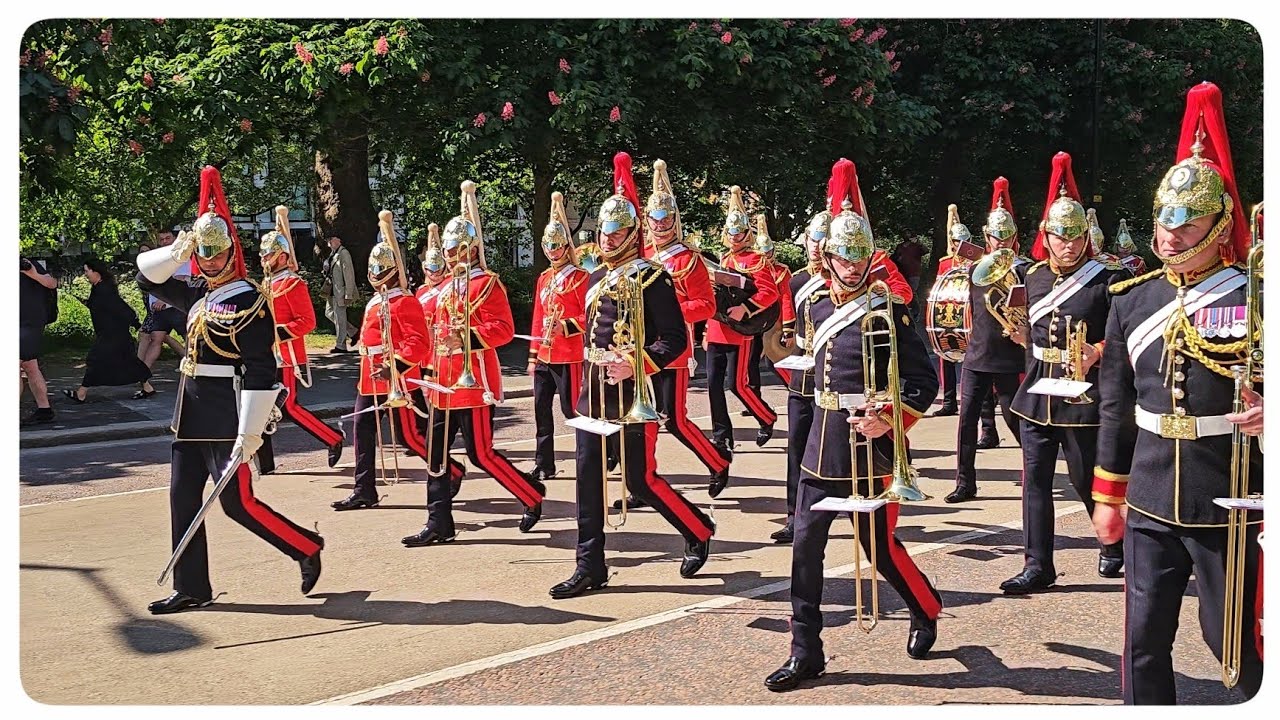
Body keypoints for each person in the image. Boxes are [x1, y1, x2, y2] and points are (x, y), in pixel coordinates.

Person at [1092, 81, 1263, 704]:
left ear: (1220, 226)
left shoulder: (1255, 297)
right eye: (1165, 220)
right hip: (1152, 494)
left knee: (1234, 643)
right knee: (1141, 643)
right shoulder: (1131, 301)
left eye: (1186, 222)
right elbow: (1115, 409)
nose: (1169, 235)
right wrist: (1108, 495)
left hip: (1233, 495)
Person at [765, 158, 941, 692]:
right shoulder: (814, 304)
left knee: (881, 549)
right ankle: (806, 650)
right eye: (843, 254)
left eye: (860, 254)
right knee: (805, 549)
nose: (851, 264)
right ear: (829, 256)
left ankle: (925, 608)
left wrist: (890, 417)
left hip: (872, 446)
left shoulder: (891, 309)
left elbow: (923, 381)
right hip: (823, 441)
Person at [136, 165, 323, 615]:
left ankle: (305, 546)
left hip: (226, 413)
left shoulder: (250, 300)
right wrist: (177, 251)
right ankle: (192, 586)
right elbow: (145, 278)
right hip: (191, 412)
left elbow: (261, 370)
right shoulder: (197, 292)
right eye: (204, 254)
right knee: (182, 499)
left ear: (231, 252)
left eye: (217, 254)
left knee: (236, 504)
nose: (211, 261)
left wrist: (251, 430)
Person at [549, 152, 716, 599]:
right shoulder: (591, 278)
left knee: (640, 480)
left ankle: (698, 528)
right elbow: (592, 330)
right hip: (592, 392)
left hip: (631, 391)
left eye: (617, 232)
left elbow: (675, 338)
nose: (608, 239)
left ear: (632, 234)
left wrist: (638, 362)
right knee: (586, 480)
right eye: (603, 232)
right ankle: (590, 565)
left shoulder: (652, 278)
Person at [1000, 152, 1131, 595]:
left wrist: (1098, 351)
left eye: (1076, 237)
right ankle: (1038, 564)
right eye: (1061, 236)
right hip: (1039, 389)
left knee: (1082, 477)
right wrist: (1019, 337)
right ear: (1046, 236)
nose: (1069, 245)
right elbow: (1026, 328)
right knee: (1034, 479)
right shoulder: (1031, 276)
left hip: (1083, 392)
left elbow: (1124, 334)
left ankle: (1113, 541)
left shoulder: (1105, 280)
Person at [404, 181, 547, 546]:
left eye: (455, 250)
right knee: (435, 455)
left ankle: (531, 496)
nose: (450, 256)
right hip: (441, 381)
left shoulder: (487, 284)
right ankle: (439, 522)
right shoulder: (443, 288)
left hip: (471, 383)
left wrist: (465, 337)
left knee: (480, 454)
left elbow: (503, 330)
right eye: (448, 250)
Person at [634, 158, 731, 502]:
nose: (660, 225)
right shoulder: (639, 256)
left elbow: (706, 305)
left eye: (665, 219)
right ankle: (641, 479)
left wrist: (668, 314)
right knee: (640, 419)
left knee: (673, 420)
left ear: (675, 220)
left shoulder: (688, 260)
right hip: (637, 349)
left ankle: (718, 461)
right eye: (654, 219)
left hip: (672, 349)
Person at [331, 212, 438, 513]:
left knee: (412, 437)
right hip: (371, 377)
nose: (377, 273)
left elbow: (418, 342)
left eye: (382, 269)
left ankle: (449, 470)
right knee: (362, 429)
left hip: (396, 378)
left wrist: (396, 366)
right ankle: (364, 489)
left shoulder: (405, 301)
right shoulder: (376, 301)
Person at [946, 177, 1029, 503]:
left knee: (1015, 418)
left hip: (1008, 354)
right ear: (987, 237)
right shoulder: (974, 269)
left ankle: (1034, 473)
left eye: (1006, 237)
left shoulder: (1024, 271)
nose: (1001, 242)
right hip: (978, 352)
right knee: (966, 421)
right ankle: (965, 482)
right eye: (996, 237)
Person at [254, 214, 345, 475]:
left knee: (289, 407)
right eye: (262, 256)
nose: (264, 260)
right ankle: (266, 465)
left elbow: (307, 322)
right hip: (265, 356)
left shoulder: (293, 283)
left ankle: (332, 438)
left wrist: (277, 334)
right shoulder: (266, 283)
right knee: (261, 410)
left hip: (288, 356)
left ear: (282, 256)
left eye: (268, 255)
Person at [770, 207, 832, 545]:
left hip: (831, 377)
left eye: (823, 240)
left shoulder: (843, 282)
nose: (816, 246)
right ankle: (795, 516)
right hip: (802, 377)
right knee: (796, 447)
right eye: (813, 239)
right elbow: (791, 330)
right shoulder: (796, 281)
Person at [705, 185, 780, 452]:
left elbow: (770, 292)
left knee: (738, 385)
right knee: (714, 386)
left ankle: (766, 416)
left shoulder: (756, 259)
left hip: (740, 330)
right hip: (717, 328)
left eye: (739, 232)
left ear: (747, 233)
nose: (735, 237)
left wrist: (747, 308)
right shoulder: (723, 258)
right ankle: (722, 435)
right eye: (731, 232)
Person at [528, 191, 589, 483]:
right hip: (544, 354)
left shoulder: (580, 278)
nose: (553, 250)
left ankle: (590, 456)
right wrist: (532, 355)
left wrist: (564, 326)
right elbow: (538, 318)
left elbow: (588, 316)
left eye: (557, 245)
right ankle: (544, 463)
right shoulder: (544, 278)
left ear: (567, 246)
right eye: (549, 245)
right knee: (541, 411)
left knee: (572, 410)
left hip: (570, 353)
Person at [61, 258, 155, 403]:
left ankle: (81, 393)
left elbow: (120, 307)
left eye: (87, 271)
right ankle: (147, 387)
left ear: (96, 271)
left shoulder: (105, 289)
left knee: (95, 358)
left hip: (114, 332)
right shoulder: (98, 287)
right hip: (108, 331)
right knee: (127, 360)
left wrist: (136, 323)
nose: (85, 274)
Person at [742, 215, 794, 415]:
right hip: (755, 321)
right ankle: (753, 400)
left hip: (775, 324)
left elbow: (787, 299)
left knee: (775, 362)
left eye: (769, 252)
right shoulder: (753, 267)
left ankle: (795, 390)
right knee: (750, 363)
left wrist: (788, 328)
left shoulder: (782, 271)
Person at [137, 230, 191, 394]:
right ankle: (142, 375)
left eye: (168, 238)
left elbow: (181, 279)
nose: (165, 241)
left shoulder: (182, 256)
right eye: (162, 239)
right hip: (159, 310)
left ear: (174, 239)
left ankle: (194, 371)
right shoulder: (158, 258)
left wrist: (164, 299)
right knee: (156, 339)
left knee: (189, 339)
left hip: (176, 307)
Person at [20, 255, 59, 425]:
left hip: (29, 323)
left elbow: (52, 283)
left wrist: (33, 274)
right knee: (30, 366)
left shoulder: (27, 264)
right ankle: (44, 410)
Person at [322, 234, 359, 353]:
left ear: (338, 240)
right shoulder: (333, 254)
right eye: (328, 240)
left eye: (331, 239)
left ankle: (341, 345)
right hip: (332, 290)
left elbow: (349, 274)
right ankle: (353, 332)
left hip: (340, 291)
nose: (329, 242)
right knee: (329, 313)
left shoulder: (344, 253)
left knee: (340, 317)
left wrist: (348, 293)